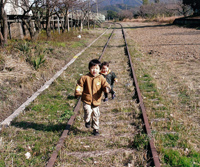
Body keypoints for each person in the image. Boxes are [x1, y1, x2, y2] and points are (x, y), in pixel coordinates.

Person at [75, 59, 111, 136]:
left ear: (100, 69)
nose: (94, 70)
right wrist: (78, 92)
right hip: (86, 100)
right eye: (92, 68)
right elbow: (79, 85)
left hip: (96, 100)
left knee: (96, 115)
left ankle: (96, 129)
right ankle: (87, 120)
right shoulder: (85, 77)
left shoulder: (101, 78)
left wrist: (106, 88)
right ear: (89, 69)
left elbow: (105, 84)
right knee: (87, 111)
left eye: (97, 68)